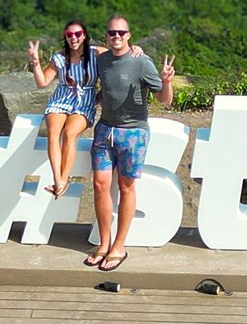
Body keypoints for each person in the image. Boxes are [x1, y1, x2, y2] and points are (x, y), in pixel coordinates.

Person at [85, 17, 175, 271]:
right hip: (105, 131)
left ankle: (119, 247)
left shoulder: (141, 62)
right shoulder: (101, 59)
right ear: (107, 35)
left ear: (129, 35)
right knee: (100, 185)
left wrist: (166, 81)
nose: (116, 36)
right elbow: (79, 50)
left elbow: (164, 100)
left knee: (126, 186)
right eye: (112, 32)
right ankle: (104, 244)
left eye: (121, 33)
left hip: (133, 133)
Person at [26, 21, 99, 198]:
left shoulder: (96, 53)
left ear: (84, 35)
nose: (73, 38)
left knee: (70, 133)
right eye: (69, 34)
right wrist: (35, 63)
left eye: (77, 34)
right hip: (62, 98)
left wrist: (135, 49)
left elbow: (120, 51)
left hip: (85, 100)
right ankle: (58, 179)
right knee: (52, 132)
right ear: (65, 36)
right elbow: (42, 82)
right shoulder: (59, 57)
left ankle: (64, 178)